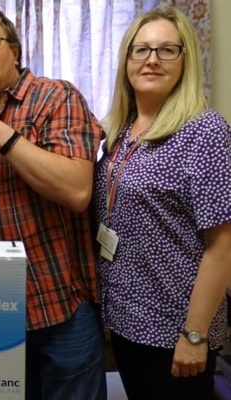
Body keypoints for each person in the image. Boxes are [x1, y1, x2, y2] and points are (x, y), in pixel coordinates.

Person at [0, 4, 106, 399]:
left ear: (14, 52)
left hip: (60, 307)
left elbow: (77, 191)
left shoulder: (56, 97)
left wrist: (4, 136)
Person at [92, 7, 231, 399]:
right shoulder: (120, 131)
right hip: (126, 324)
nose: (152, 59)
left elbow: (223, 247)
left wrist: (195, 335)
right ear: (126, 61)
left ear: (185, 60)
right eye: (141, 50)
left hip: (176, 331)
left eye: (167, 50)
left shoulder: (205, 132)